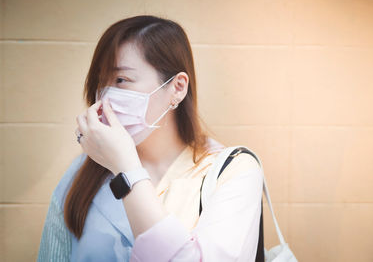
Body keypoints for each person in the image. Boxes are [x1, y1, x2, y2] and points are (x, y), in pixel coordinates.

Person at [37, 15, 264, 262]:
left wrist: (126, 169)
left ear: (177, 88)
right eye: (101, 83)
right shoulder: (81, 174)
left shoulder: (233, 171)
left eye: (121, 80)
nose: (106, 96)